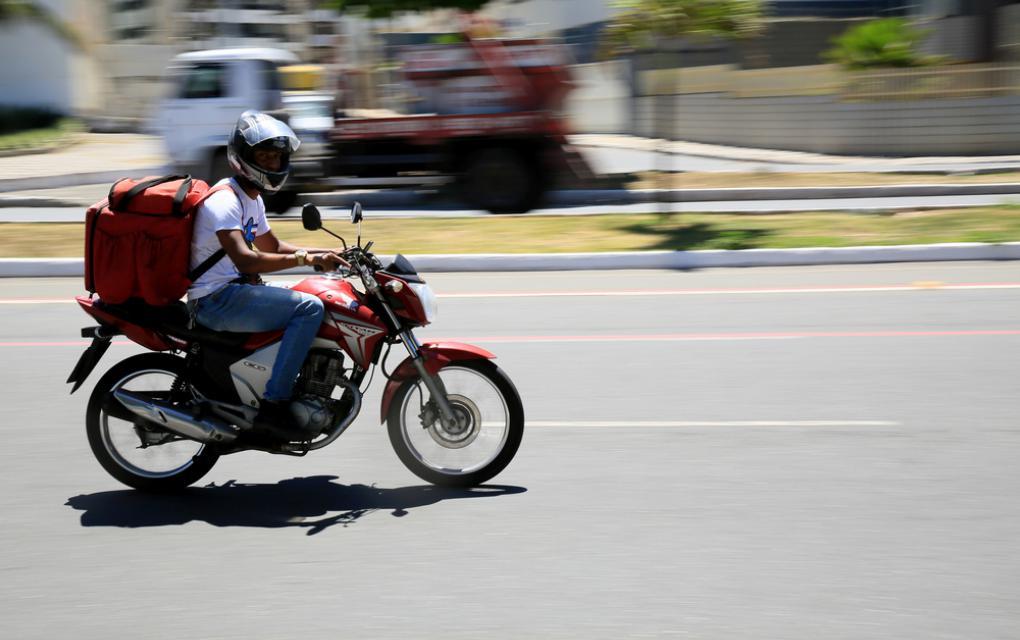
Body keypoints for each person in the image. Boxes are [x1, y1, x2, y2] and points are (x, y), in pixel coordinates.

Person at [187, 110, 346, 437]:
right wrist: (305, 257)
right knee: (308, 308)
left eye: (277, 157)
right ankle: (274, 405)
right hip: (215, 300)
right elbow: (247, 260)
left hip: (234, 291)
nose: (272, 164)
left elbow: (272, 246)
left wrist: (325, 256)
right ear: (244, 158)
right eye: (264, 156)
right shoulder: (224, 201)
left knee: (319, 292)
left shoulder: (251, 199)